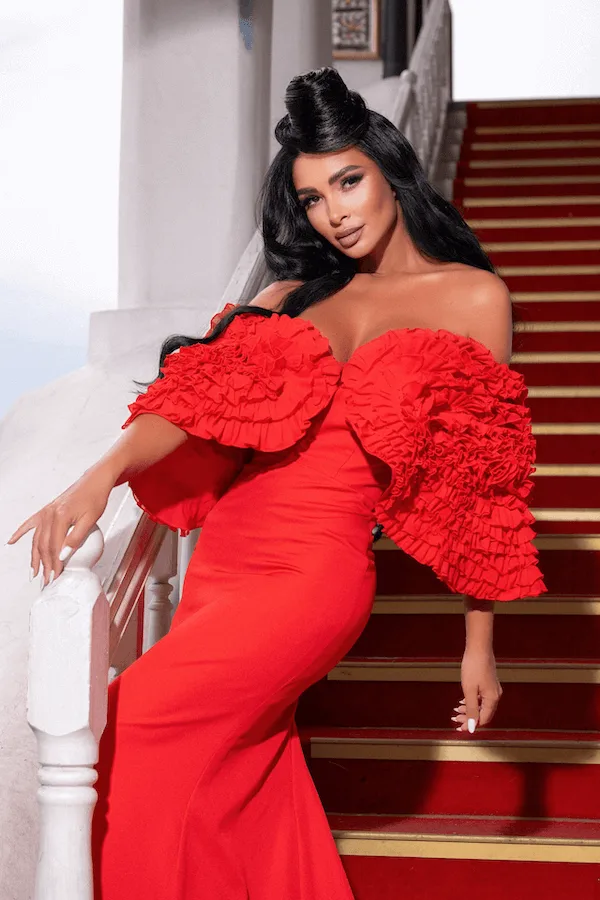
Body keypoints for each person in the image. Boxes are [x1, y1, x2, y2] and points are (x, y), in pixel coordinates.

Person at [7, 67, 546, 899]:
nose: (336, 212)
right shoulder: (289, 294)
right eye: (314, 199)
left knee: (139, 724)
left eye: (349, 181)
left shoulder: (472, 297)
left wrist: (480, 646)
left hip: (314, 575)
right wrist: (101, 475)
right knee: (242, 774)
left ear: (390, 170)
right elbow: (194, 405)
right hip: (224, 561)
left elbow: (483, 481)